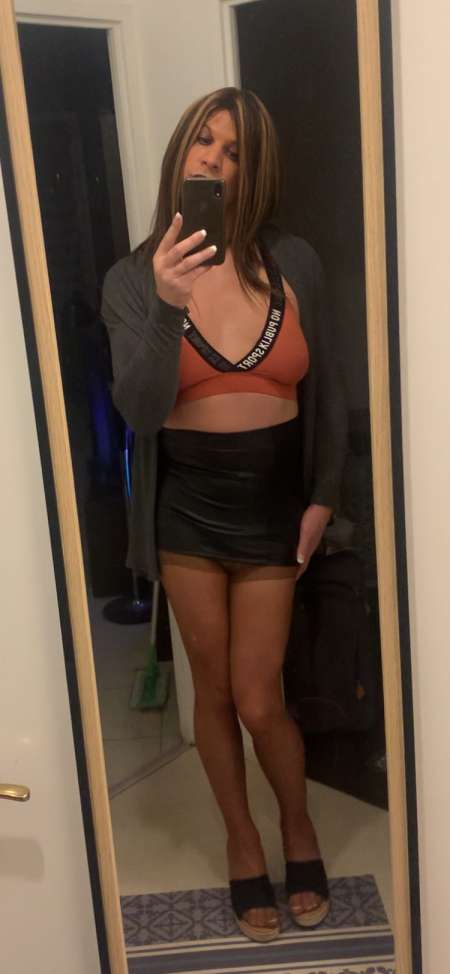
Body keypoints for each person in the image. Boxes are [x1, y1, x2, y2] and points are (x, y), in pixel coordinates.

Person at [101, 87, 347, 942]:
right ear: (181, 151)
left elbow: (329, 390)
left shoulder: (294, 261)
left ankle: (298, 826)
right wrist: (168, 302)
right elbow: (139, 411)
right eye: (204, 141)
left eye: (235, 150)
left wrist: (323, 496)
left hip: (274, 504)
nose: (214, 158)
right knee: (212, 691)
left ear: (253, 170)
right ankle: (244, 844)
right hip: (188, 512)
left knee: (258, 696)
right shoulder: (133, 278)